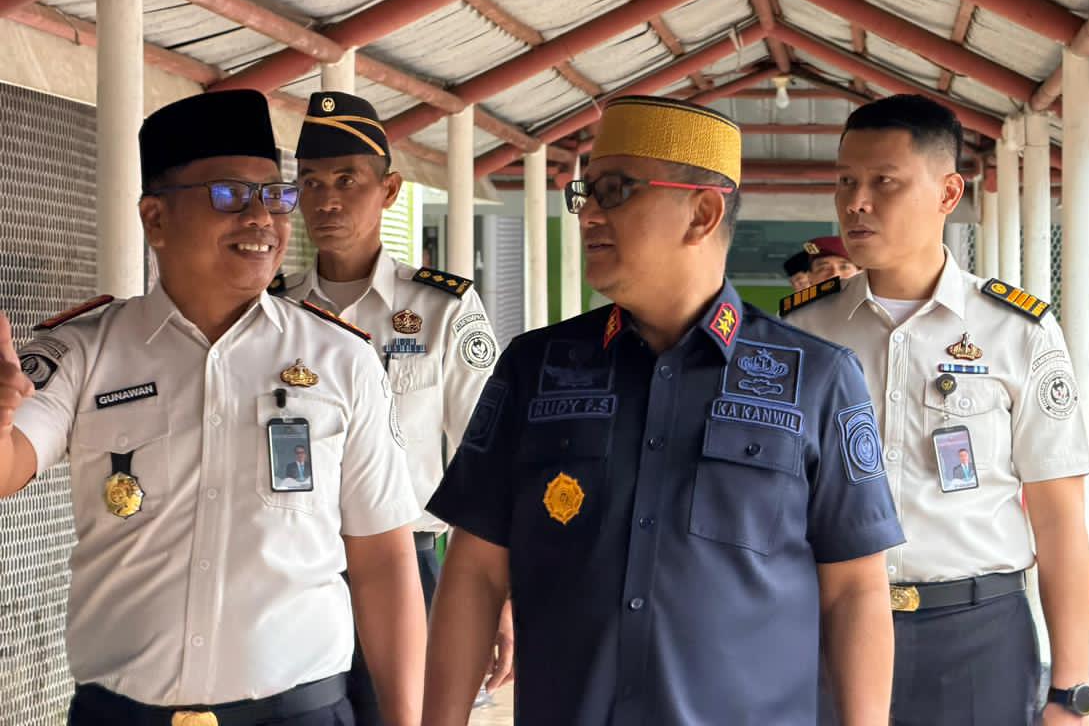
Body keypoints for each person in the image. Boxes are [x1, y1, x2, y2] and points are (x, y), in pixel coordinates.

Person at [422, 95, 905, 726]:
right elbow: (476, 572)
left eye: (615, 190)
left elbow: (855, 590)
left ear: (702, 214)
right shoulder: (534, 368)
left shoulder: (816, 378)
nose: (589, 213)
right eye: (586, 193)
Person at [0, 90, 426, 726]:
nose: (261, 218)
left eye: (275, 196)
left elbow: (383, 560)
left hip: (298, 714)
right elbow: (11, 461)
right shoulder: (86, 352)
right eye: (229, 195)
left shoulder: (342, 360)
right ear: (156, 219)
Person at [782, 94, 1089, 726]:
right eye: (845, 181)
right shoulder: (804, 332)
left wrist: (1071, 691)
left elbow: (1059, 517)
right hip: (826, 624)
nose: (856, 202)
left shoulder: (1017, 331)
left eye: (884, 182)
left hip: (976, 635)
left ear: (948, 193)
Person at [273, 91, 513, 724]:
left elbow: (488, 456)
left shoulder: (441, 308)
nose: (326, 200)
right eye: (310, 182)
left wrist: (503, 589)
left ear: (389, 190)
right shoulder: (273, 312)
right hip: (297, 570)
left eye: (347, 180)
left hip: (414, 566)